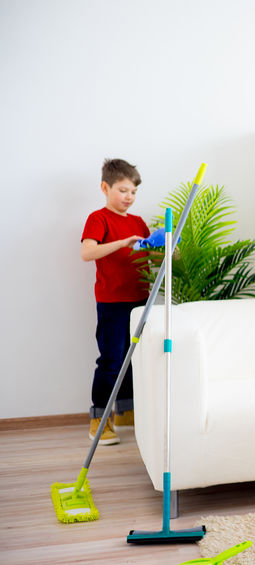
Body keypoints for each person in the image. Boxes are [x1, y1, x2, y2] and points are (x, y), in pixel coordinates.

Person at [81, 158, 151, 445]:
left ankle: (126, 412)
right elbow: (88, 253)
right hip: (112, 301)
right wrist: (122, 243)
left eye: (133, 192)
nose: (129, 198)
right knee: (110, 360)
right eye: (123, 191)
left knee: (132, 358)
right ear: (105, 187)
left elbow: (153, 252)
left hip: (140, 299)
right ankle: (99, 419)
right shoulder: (99, 219)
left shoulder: (137, 222)